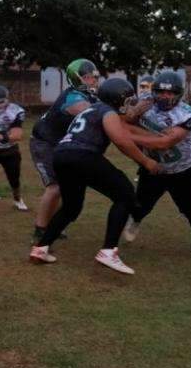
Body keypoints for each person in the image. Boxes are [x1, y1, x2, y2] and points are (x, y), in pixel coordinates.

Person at [29, 78, 160, 274]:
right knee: (124, 194)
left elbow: (125, 129)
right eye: (127, 99)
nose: (129, 103)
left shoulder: (93, 109)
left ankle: (41, 248)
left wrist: (153, 137)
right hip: (83, 155)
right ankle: (109, 251)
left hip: (61, 155)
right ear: (117, 98)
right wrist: (146, 161)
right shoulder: (107, 111)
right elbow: (121, 141)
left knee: (71, 208)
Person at [122, 71, 191, 253]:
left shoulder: (188, 114)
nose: (165, 96)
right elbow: (125, 120)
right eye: (161, 91)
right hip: (154, 167)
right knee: (141, 204)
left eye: (170, 93)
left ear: (179, 94)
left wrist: (131, 136)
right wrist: (135, 112)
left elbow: (165, 142)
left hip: (183, 169)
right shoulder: (145, 101)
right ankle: (135, 221)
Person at [29, 58, 100, 243]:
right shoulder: (73, 98)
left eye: (93, 77)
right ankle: (40, 229)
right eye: (87, 77)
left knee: (65, 187)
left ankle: (53, 225)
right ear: (77, 78)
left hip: (59, 144)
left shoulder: (88, 96)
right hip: (43, 143)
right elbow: (90, 112)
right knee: (54, 188)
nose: (92, 80)